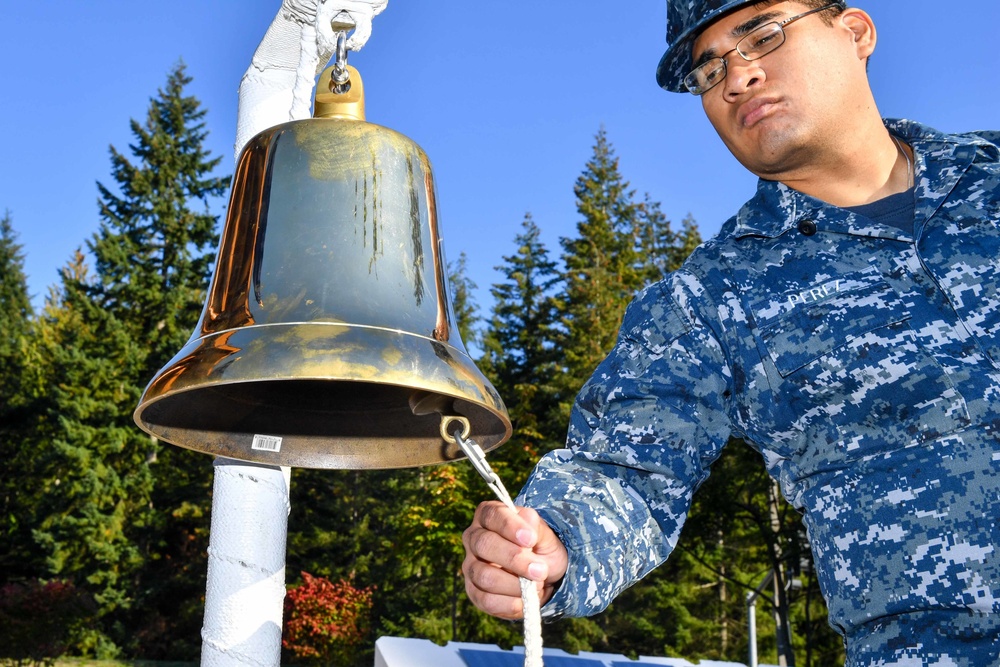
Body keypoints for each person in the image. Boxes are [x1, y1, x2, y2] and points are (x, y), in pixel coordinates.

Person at [461, 1, 1000, 664]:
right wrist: (557, 541)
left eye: (763, 34)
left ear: (855, 32)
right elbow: (625, 469)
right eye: (709, 70)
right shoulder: (712, 300)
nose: (736, 77)